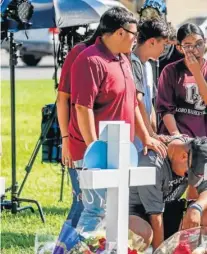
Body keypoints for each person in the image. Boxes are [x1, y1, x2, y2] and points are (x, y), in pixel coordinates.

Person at [68, 7, 167, 231]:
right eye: (134, 34)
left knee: (115, 210)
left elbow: (131, 103)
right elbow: (83, 108)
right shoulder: (90, 60)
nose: (136, 39)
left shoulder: (123, 59)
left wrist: (146, 136)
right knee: (95, 210)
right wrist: (95, 149)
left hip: (121, 150)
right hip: (95, 152)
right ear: (120, 33)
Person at [129, 136, 207, 250]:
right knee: (142, 232)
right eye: (187, 174)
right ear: (184, 156)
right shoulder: (153, 163)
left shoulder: (195, 153)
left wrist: (196, 208)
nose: (188, 179)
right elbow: (155, 217)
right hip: (140, 213)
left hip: (168, 209)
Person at [56, 26, 102, 228]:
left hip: (106, 143)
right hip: (80, 143)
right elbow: (62, 99)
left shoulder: (120, 57)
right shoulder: (80, 53)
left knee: (97, 206)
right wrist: (65, 139)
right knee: (83, 203)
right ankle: (62, 253)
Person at [156, 23, 207, 143]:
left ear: (205, 42)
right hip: (177, 139)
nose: (195, 50)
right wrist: (176, 136)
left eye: (199, 44)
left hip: (204, 139)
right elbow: (166, 110)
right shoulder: (170, 71)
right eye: (188, 46)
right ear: (179, 48)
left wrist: (196, 72)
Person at [131, 17, 170, 152]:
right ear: (152, 42)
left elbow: (149, 102)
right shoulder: (132, 62)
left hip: (146, 138)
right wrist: (149, 135)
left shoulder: (148, 65)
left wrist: (154, 132)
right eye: (164, 45)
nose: (164, 49)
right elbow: (138, 101)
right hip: (135, 140)